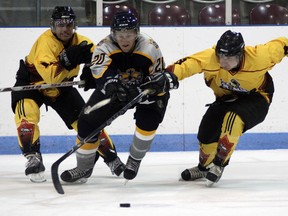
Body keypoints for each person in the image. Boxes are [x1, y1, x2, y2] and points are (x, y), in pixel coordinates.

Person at [11, 6, 125, 183]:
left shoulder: (82, 42)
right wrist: (69, 60)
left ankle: (111, 158)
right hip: (31, 84)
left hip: (63, 88)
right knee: (27, 115)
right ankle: (33, 157)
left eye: (69, 24)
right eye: (60, 24)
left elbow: (101, 61)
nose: (65, 29)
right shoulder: (45, 42)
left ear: (75, 25)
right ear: (53, 26)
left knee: (88, 121)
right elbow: (51, 77)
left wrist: (92, 72)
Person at [61, 11, 179, 182]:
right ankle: (83, 168)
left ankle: (134, 159)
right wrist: (111, 85)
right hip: (116, 92)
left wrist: (149, 89)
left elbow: (159, 78)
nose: (124, 39)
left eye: (129, 34)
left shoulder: (150, 47)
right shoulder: (105, 46)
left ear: (136, 33)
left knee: (148, 122)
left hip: (145, 91)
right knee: (86, 121)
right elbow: (100, 72)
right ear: (113, 34)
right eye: (120, 35)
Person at [166, 30, 288, 186]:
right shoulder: (211, 58)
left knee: (233, 119)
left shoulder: (260, 57)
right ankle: (204, 167)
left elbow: (283, 44)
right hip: (227, 98)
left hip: (257, 98)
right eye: (220, 55)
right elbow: (188, 64)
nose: (223, 61)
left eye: (229, 57)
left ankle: (219, 165)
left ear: (240, 54)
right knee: (206, 132)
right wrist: (168, 75)